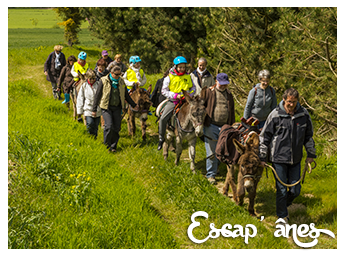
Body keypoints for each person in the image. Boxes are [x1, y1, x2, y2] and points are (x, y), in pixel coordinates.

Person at [259, 88, 316, 223]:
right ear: (284, 100)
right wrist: (262, 157)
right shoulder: (275, 115)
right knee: (281, 190)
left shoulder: (303, 115)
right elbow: (264, 137)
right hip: (278, 158)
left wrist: (311, 154)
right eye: (289, 102)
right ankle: (282, 217)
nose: (291, 104)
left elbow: (308, 136)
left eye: (294, 102)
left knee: (295, 190)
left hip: (295, 159)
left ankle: (284, 205)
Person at [92, 66, 139, 152]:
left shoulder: (121, 81)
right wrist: (94, 109)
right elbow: (97, 95)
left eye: (120, 74)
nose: (118, 76)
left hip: (117, 107)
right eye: (117, 74)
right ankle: (106, 145)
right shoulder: (103, 80)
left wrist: (133, 104)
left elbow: (126, 95)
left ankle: (113, 147)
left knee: (116, 128)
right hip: (106, 107)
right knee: (109, 126)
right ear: (111, 73)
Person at [202, 73, 235, 184]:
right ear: (216, 81)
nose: (223, 86)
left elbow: (232, 110)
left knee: (222, 150)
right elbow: (201, 106)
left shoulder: (229, 94)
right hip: (211, 125)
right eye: (221, 84)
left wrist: (232, 125)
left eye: (225, 84)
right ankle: (211, 175)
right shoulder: (209, 92)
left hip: (225, 127)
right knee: (211, 151)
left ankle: (218, 171)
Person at [157, 56, 196, 151]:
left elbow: (193, 88)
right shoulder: (169, 77)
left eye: (184, 67)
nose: (182, 69)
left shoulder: (188, 76)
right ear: (175, 67)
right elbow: (164, 91)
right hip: (174, 101)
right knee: (163, 118)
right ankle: (161, 138)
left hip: (186, 101)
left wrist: (188, 95)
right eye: (180, 67)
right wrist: (175, 95)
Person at [76, 70, 102, 139]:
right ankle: (89, 137)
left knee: (96, 126)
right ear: (87, 78)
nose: (92, 80)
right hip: (88, 108)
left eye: (94, 78)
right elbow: (80, 98)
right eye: (90, 79)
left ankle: (94, 138)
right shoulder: (84, 86)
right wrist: (79, 111)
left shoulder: (99, 85)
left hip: (97, 108)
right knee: (90, 123)